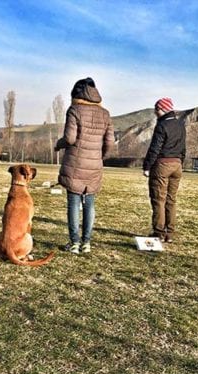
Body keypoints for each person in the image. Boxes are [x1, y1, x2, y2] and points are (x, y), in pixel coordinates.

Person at [55, 77, 114, 254]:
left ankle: (74, 242)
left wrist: (58, 144)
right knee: (90, 204)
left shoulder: (74, 110)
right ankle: (86, 243)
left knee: (73, 204)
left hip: (75, 163)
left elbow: (69, 138)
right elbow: (110, 142)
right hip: (95, 165)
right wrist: (100, 157)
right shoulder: (105, 114)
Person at [143, 97, 186, 243]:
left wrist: (147, 166)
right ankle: (170, 233)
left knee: (158, 199)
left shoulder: (162, 125)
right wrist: (180, 162)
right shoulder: (181, 125)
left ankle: (159, 233)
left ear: (162, 109)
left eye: (156, 109)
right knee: (171, 200)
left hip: (162, 165)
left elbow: (155, 148)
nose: (155, 112)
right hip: (177, 165)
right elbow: (183, 148)